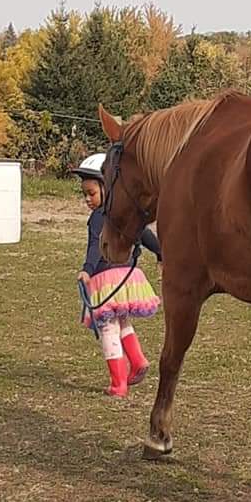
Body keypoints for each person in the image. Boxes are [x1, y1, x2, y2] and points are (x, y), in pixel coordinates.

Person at [72, 154, 161, 398]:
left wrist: (87, 270)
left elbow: (94, 245)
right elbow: (144, 234)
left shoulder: (99, 217)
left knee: (107, 328)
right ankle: (138, 360)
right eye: (85, 195)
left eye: (91, 193)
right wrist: (161, 252)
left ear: (106, 187)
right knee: (122, 321)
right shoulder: (125, 213)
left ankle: (118, 383)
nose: (88, 200)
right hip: (127, 276)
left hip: (105, 278)